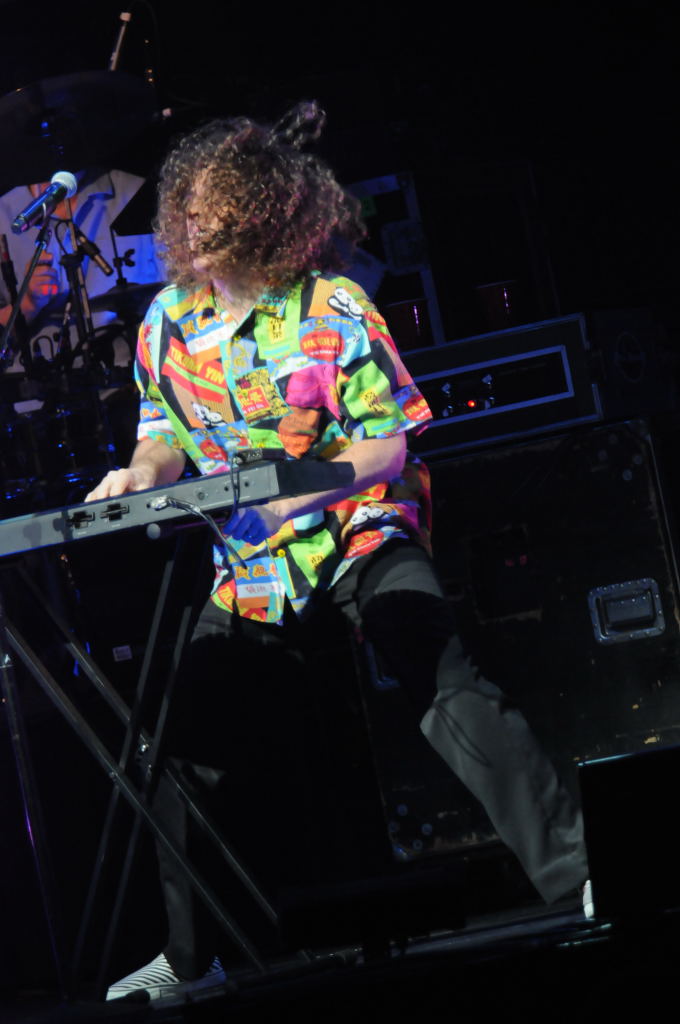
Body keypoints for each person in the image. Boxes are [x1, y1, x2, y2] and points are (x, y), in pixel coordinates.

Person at [86, 102, 590, 1003]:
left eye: (212, 207)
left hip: (356, 530)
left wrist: (296, 498)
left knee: (443, 683)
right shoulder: (165, 322)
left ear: (257, 212)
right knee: (184, 746)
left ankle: (581, 878)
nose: (194, 223)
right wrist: (137, 475)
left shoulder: (331, 307)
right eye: (185, 207)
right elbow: (160, 431)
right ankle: (193, 962)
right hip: (253, 567)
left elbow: (388, 446)